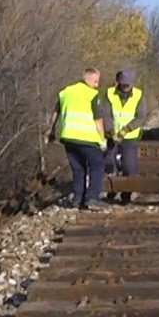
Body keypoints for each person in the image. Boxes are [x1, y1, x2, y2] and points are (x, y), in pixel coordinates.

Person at [47, 68, 110, 211]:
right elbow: (98, 119)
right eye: (95, 81)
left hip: (69, 138)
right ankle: (92, 198)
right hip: (88, 138)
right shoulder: (92, 94)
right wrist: (102, 139)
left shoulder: (66, 92)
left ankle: (77, 198)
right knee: (97, 166)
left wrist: (50, 130)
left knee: (78, 169)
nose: (97, 84)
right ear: (87, 79)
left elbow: (56, 111)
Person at [105, 69, 148, 205]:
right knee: (110, 164)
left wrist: (126, 129)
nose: (126, 86)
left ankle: (126, 193)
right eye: (124, 84)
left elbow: (141, 116)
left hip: (130, 137)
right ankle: (112, 188)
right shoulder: (109, 94)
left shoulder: (139, 95)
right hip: (112, 136)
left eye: (129, 84)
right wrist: (111, 131)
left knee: (129, 167)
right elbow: (106, 114)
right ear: (119, 82)